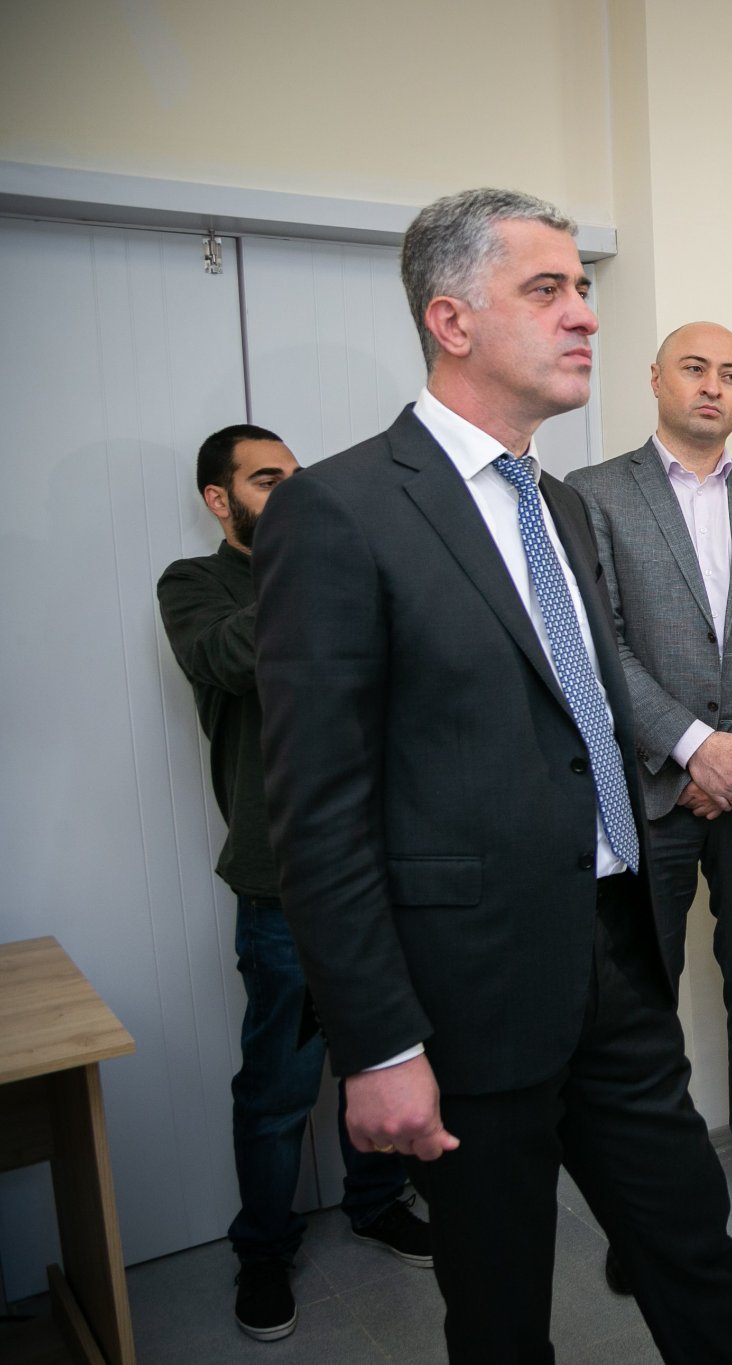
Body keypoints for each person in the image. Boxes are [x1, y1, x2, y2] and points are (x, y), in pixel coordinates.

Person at [253, 187, 732, 1364]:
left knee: (690, 1241)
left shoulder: (561, 510)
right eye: (547, 290)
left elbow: (577, 717)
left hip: (614, 951)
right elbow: (318, 816)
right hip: (465, 991)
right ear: (451, 320)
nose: (585, 314)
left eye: (582, 287)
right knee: (498, 1302)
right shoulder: (338, 512)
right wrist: (379, 1045)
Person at [568, 321, 732, 1282]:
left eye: (731, 373)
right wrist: (691, 747)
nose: (713, 386)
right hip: (652, 788)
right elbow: (598, 642)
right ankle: (655, 1198)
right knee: (642, 1001)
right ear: (655, 379)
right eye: (695, 368)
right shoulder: (592, 495)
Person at [157, 424, 429, 1342]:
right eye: (268, 480)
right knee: (279, 1083)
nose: (294, 492)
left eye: (299, 478)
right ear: (219, 499)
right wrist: (316, 570)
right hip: (277, 879)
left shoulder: (343, 572)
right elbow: (227, 658)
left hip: (380, 861)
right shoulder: (194, 586)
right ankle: (264, 1249)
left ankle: (378, 1200)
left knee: (382, 1049)